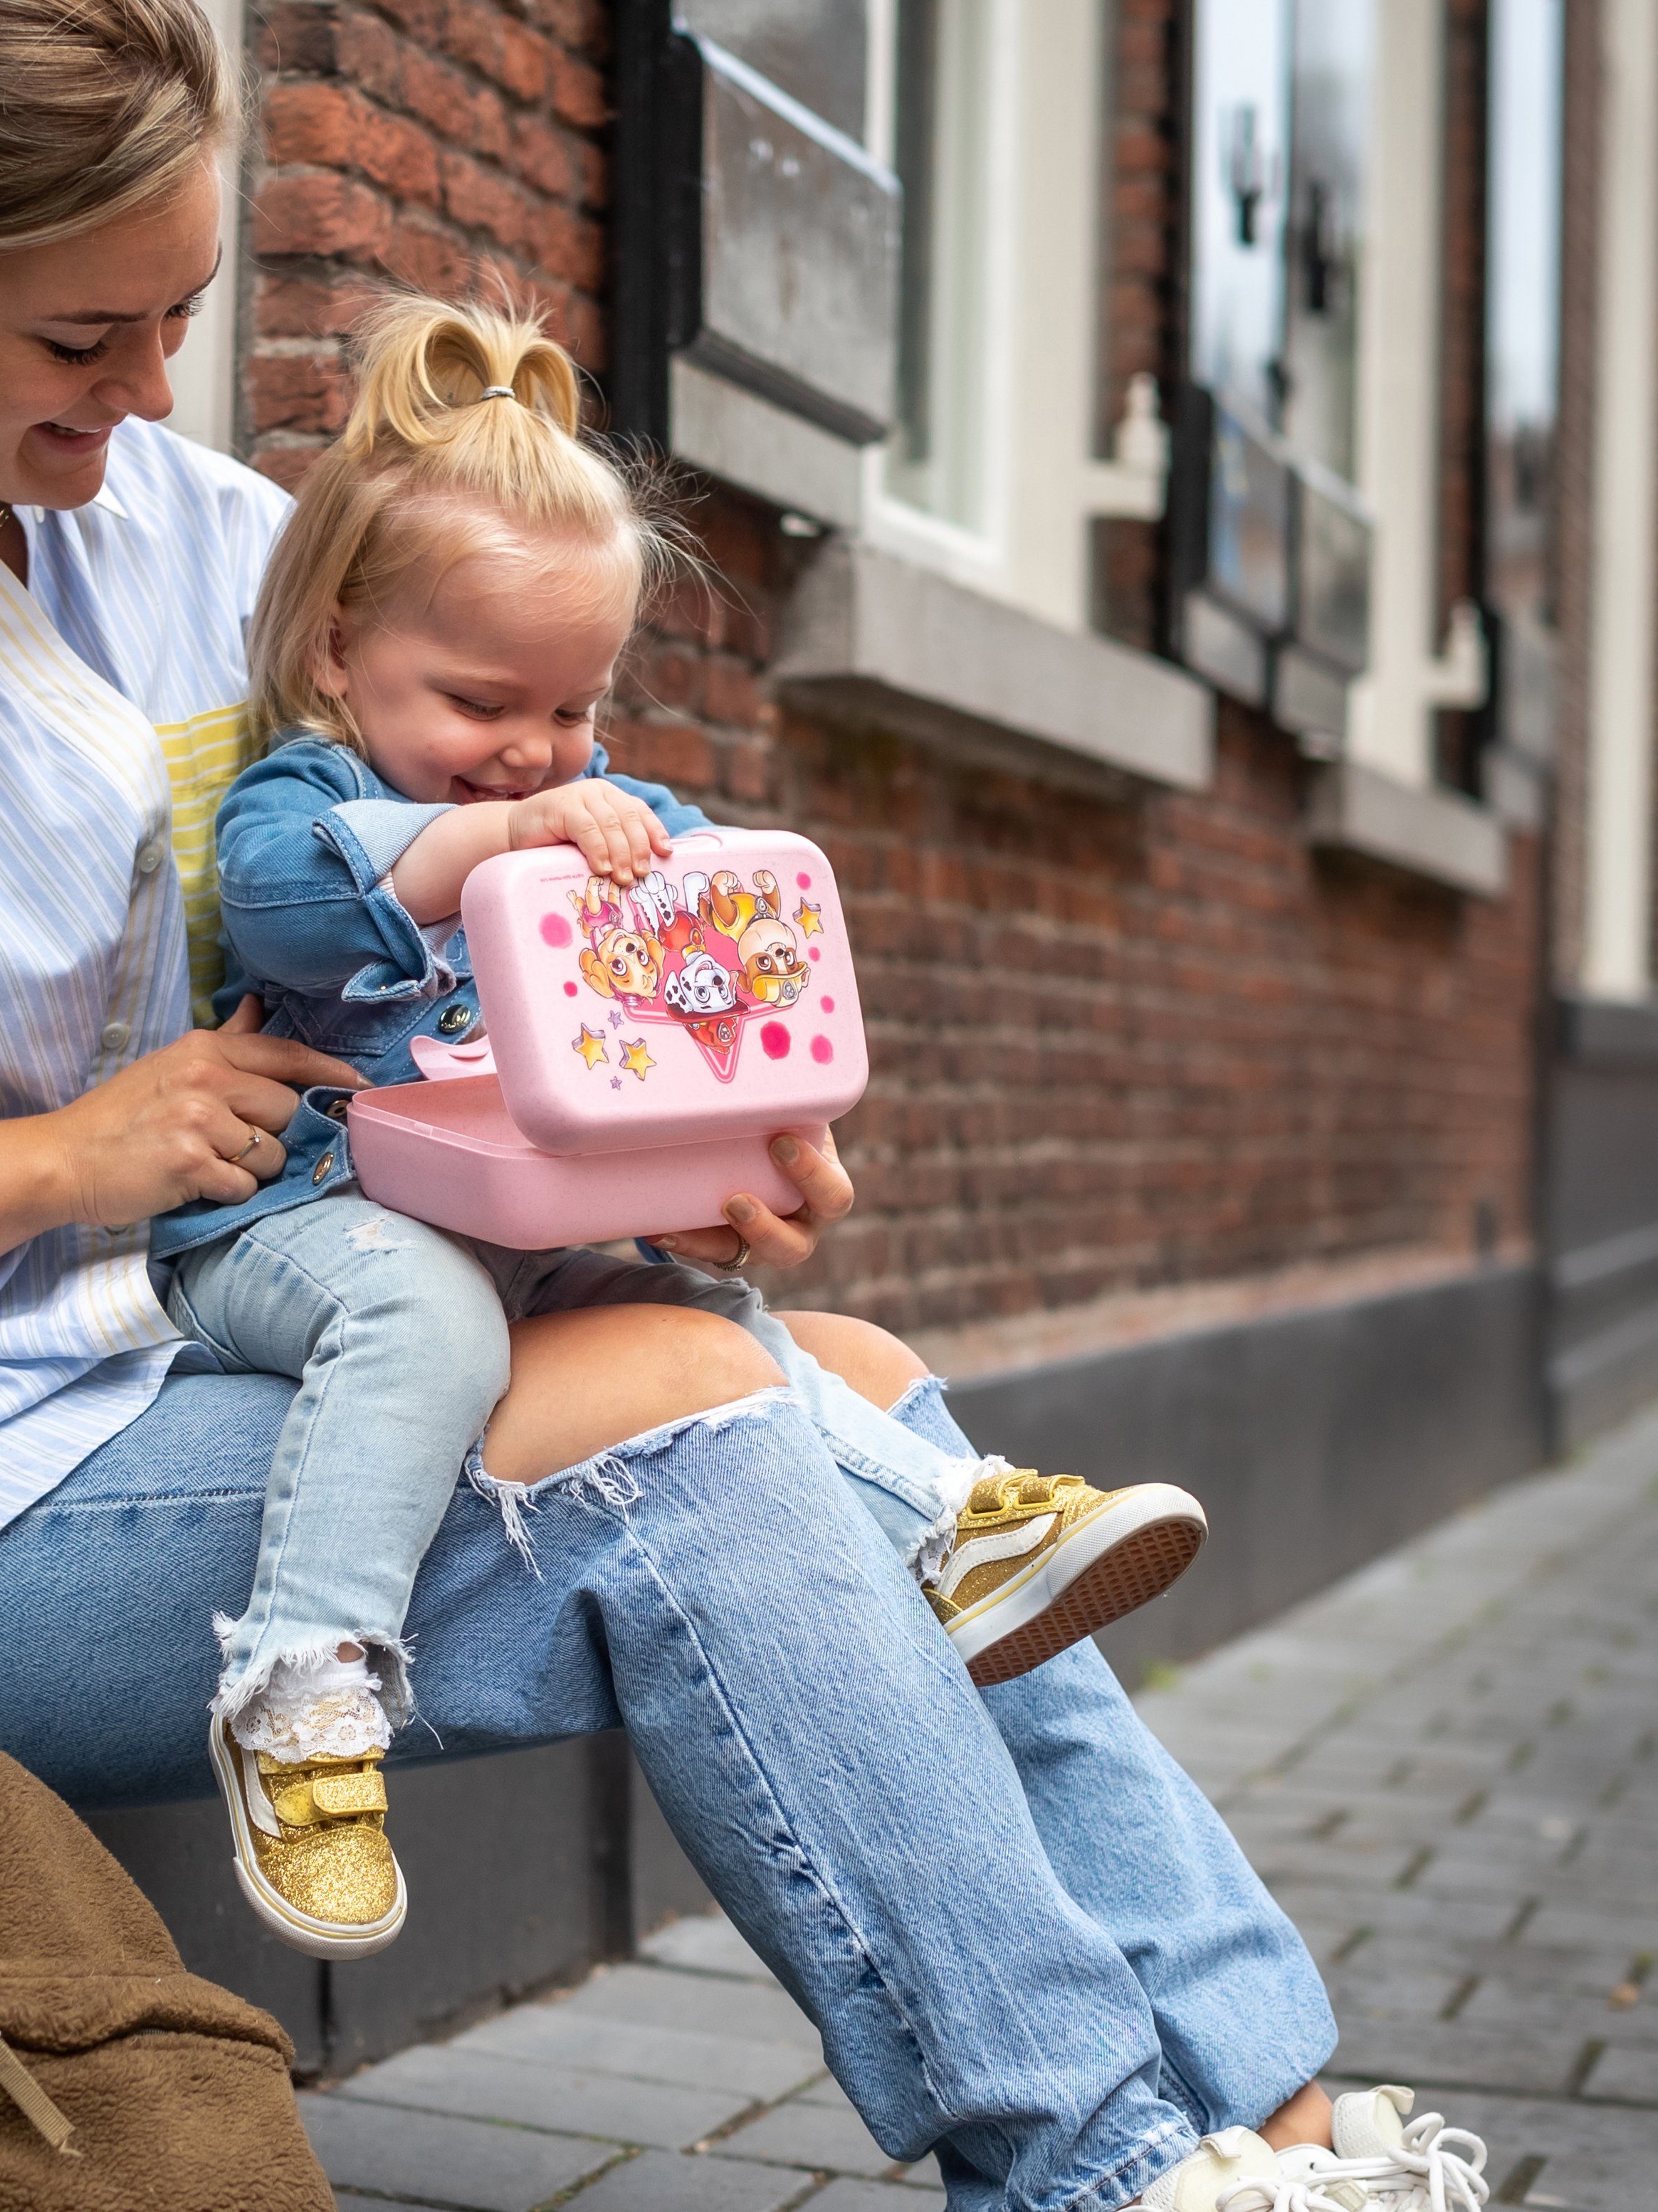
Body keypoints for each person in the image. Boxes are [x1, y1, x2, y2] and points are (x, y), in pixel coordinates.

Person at [0, 3, 1489, 2206]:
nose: (150, 393)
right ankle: (1095, 2165)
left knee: (871, 1405)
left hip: (224, 1317)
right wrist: (62, 1156)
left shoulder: (204, 541)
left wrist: (676, 1127)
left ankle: (1270, 2116)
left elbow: (468, 829)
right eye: (85, 334)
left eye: (184, 321)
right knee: (708, 1445)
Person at [162, 290, 1210, 1961]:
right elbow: (289, 911)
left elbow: (714, 926)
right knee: (425, 1318)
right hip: (290, 1222)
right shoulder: (310, 791)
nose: (528, 756)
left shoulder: (598, 811)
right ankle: (300, 1692)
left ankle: (950, 1522)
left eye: (572, 714)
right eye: (479, 703)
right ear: (334, 657)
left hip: (512, 1223)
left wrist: (742, 1097)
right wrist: (486, 850)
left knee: (710, 1314)